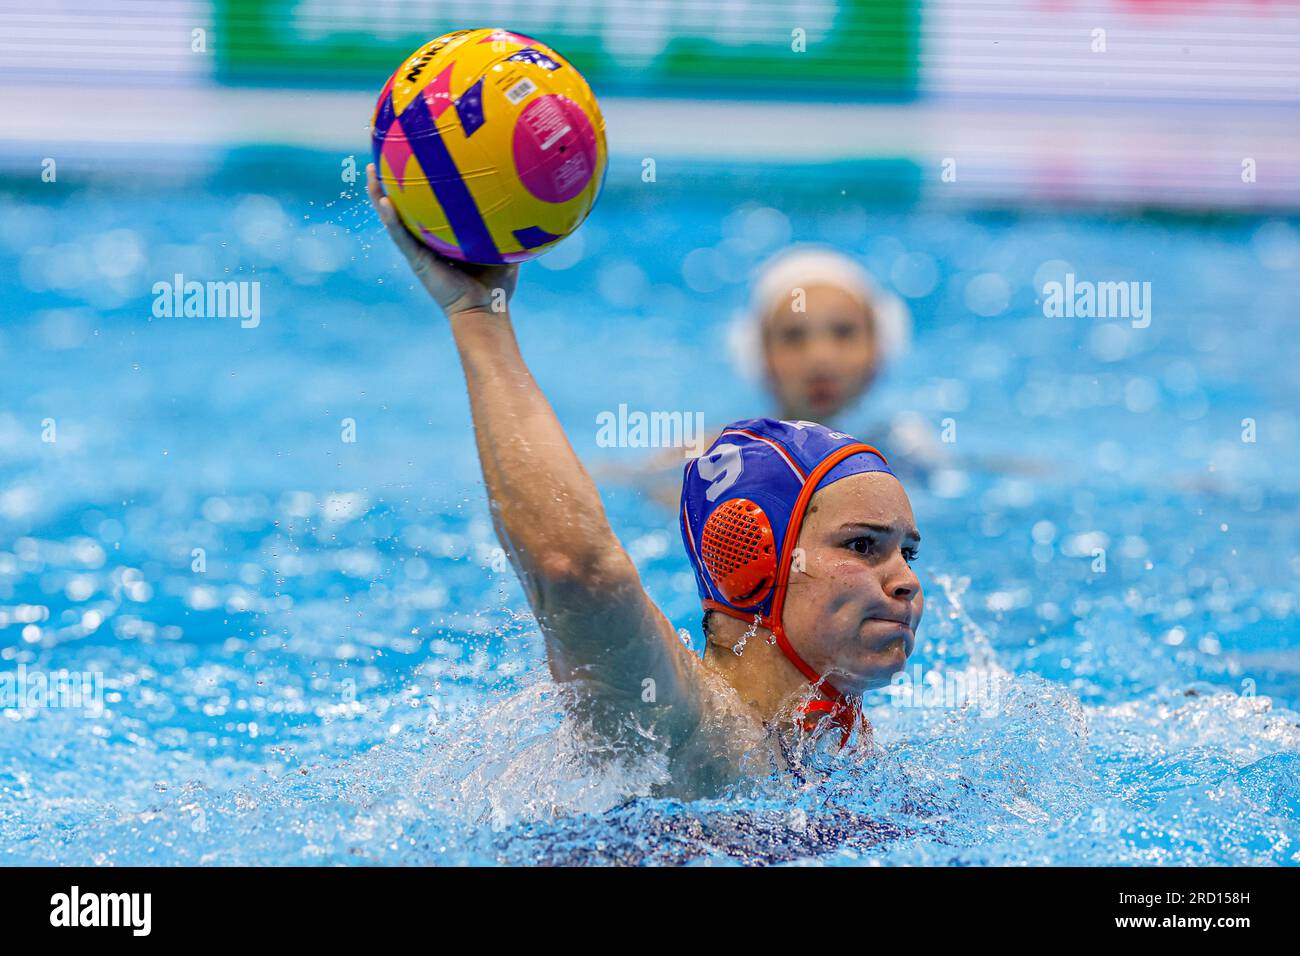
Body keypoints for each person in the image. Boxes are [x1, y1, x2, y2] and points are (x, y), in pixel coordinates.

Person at [368, 166, 924, 794]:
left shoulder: (834, 748)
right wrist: (477, 316)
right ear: (754, 558)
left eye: (907, 550)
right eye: (862, 546)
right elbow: (573, 567)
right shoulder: (686, 728)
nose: (907, 581)